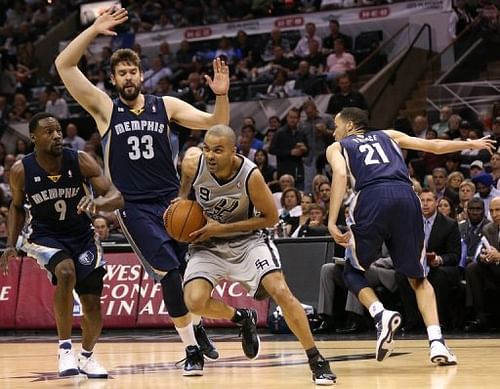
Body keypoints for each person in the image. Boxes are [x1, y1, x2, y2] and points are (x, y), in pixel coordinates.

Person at [55, 7, 229, 374]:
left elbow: (217, 125)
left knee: (188, 275)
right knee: (168, 273)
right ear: (114, 79)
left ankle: (197, 329)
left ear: (142, 74)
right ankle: (192, 349)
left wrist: (222, 96)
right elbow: (64, 66)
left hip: (173, 203)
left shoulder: (164, 106)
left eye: (133, 71)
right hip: (133, 206)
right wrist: (94, 29)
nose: (128, 77)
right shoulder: (105, 110)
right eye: (121, 73)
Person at [326, 107, 495, 366]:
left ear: (349, 126)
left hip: (372, 197)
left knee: (351, 271)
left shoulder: (338, 147)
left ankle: (380, 313)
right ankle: (437, 342)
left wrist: (331, 220)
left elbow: (339, 174)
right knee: (419, 277)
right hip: (406, 196)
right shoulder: (390, 135)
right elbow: (435, 146)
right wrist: (470, 142)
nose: (333, 131)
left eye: (336, 126)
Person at [178, 125, 335, 386]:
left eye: (218, 150)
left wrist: (222, 228)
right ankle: (242, 318)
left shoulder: (250, 175)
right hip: (208, 244)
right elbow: (185, 183)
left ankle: (316, 359)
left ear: (234, 151)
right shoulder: (194, 163)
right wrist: (182, 201)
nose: (211, 156)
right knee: (193, 301)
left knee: (281, 292)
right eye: (207, 149)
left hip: (248, 242)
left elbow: (270, 218)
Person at [0, 112, 124, 378]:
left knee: (92, 304)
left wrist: (98, 204)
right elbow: (17, 208)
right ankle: (64, 348)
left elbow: (115, 196)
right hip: (45, 236)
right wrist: (11, 243)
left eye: (58, 131)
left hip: (82, 236)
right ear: (33, 137)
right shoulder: (22, 170)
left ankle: (87, 357)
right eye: (49, 131)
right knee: (65, 273)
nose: (56, 135)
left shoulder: (79, 160)